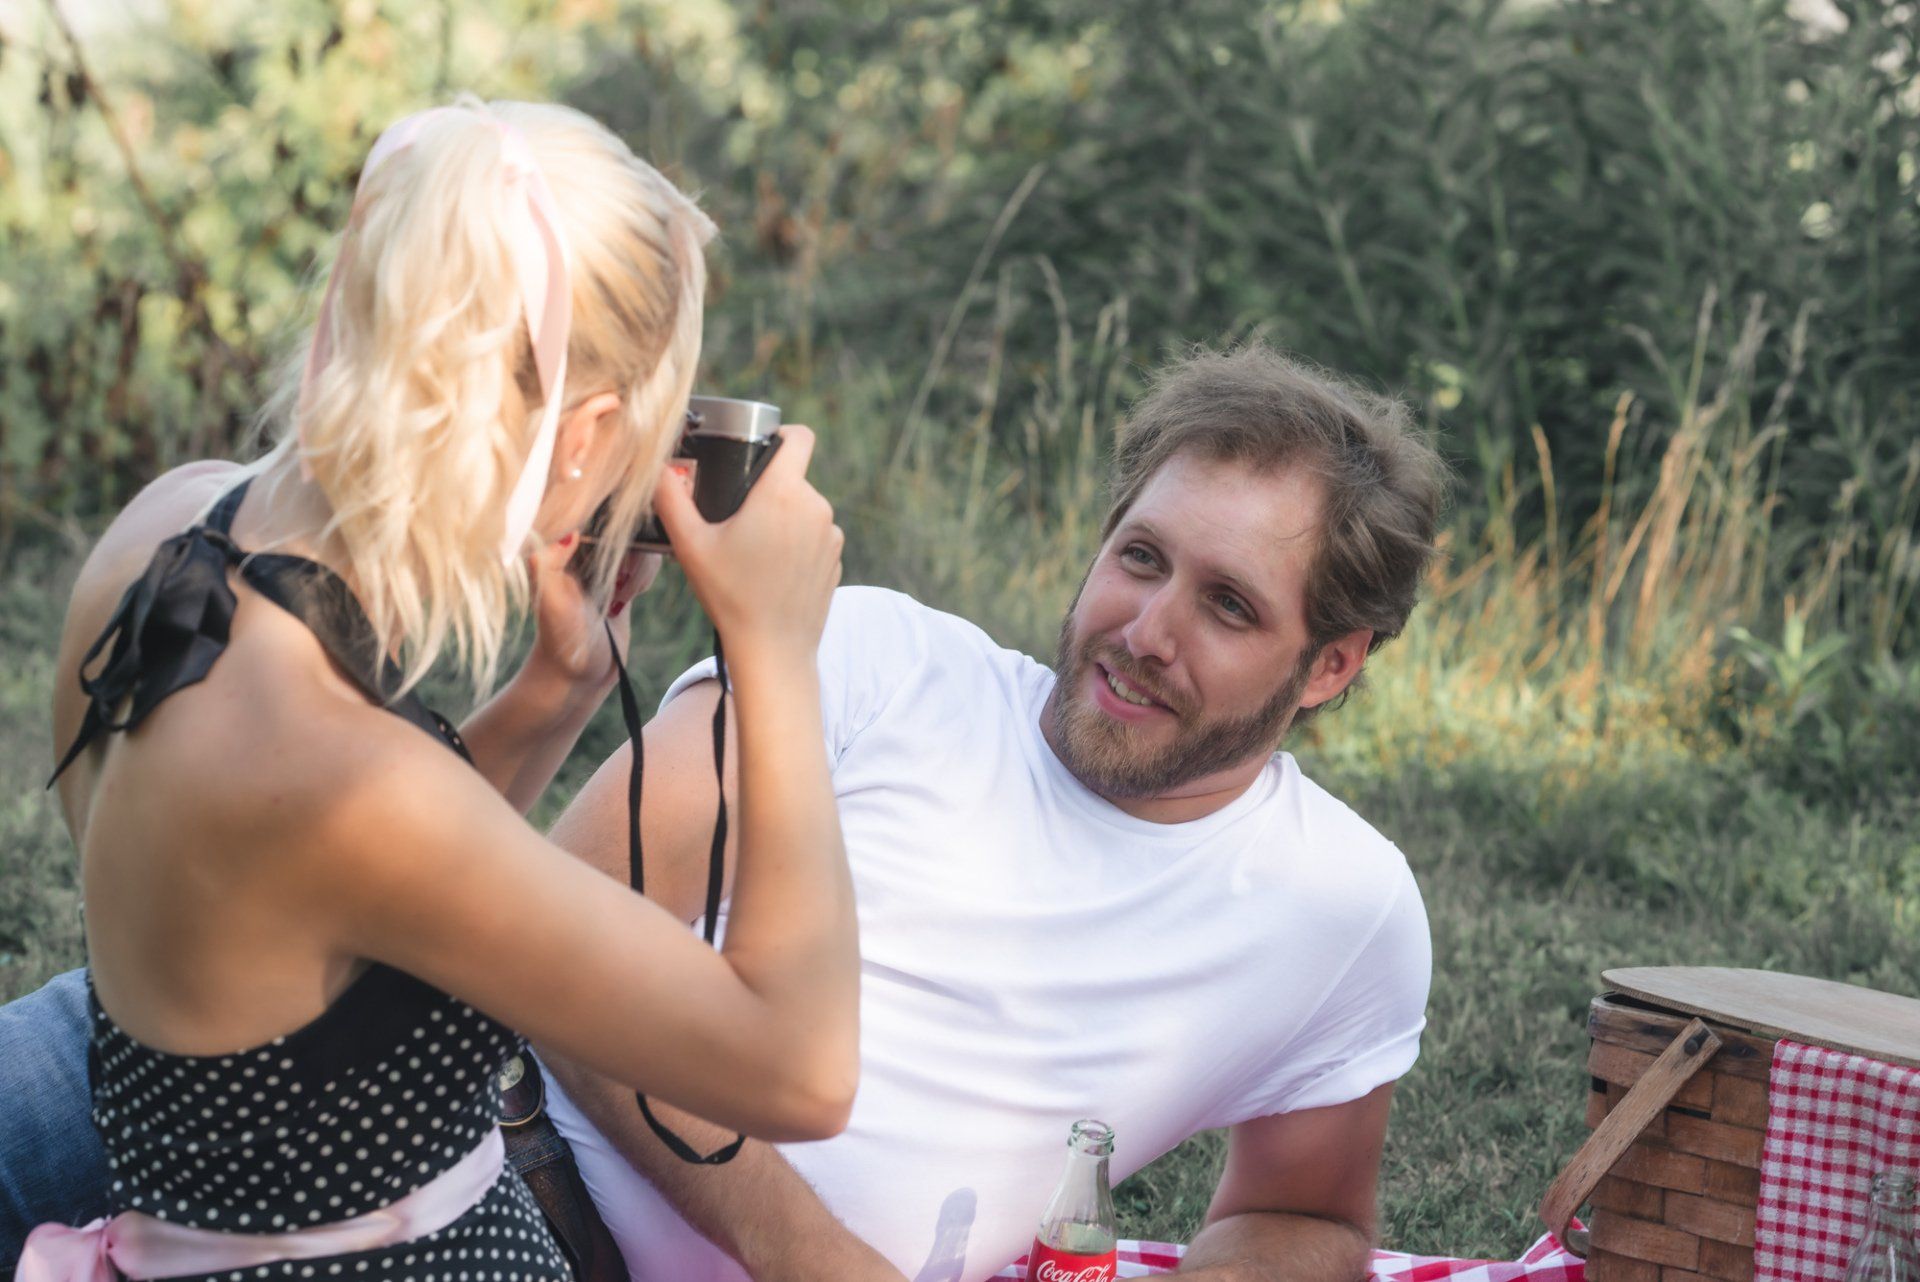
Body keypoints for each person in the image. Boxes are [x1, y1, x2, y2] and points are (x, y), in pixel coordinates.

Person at [8, 97, 859, 1282]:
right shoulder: (336, 772)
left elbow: (323, 939)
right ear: (591, 429)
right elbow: (799, 1070)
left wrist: (556, 691)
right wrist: (773, 652)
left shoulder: (172, 527)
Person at [536, 343, 1449, 1282]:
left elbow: (1302, 1216)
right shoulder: (874, 663)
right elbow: (551, 938)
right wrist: (811, 1257)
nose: (1144, 635)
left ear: (1332, 662)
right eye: (1141, 558)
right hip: (522, 1198)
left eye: (1227, 606)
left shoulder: (1338, 904)